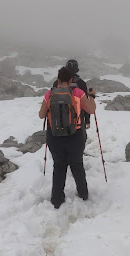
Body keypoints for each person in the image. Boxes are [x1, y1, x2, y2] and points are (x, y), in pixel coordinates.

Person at [39, 66, 96, 209]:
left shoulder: (49, 93)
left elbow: (41, 115)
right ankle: (83, 194)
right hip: (75, 136)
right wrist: (92, 97)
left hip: (55, 136)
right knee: (77, 165)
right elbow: (91, 110)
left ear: (58, 80)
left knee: (59, 166)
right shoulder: (77, 92)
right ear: (71, 80)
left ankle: (57, 199)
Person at [53, 59, 93, 129]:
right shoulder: (81, 83)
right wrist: (87, 120)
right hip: (77, 122)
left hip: (58, 122)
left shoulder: (56, 83)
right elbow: (86, 105)